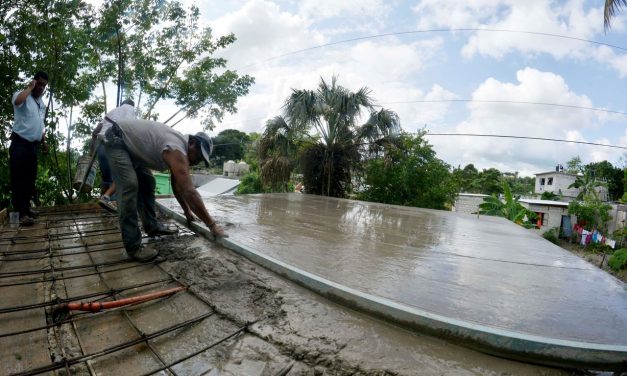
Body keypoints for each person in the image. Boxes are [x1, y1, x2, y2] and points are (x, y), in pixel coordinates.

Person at [104, 118, 227, 261]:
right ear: (192, 143)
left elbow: (177, 186)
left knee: (148, 182)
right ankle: (133, 248)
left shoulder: (178, 148)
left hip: (129, 146)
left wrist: (187, 212)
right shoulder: (177, 149)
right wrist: (212, 225)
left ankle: (152, 226)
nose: (196, 161)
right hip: (117, 139)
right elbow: (190, 192)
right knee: (129, 186)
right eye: (198, 156)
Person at [10, 71, 49, 226]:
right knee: (18, 179)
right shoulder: (22, 95)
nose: (41, 87)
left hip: (33, 146)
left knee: (29, 179)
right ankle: (19, 215)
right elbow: (17, 102)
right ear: (34, 82)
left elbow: (41, 125)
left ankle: (26, 209)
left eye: (44, 85)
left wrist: (44, 142)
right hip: (20, 143)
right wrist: (29, 87)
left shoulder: (41, 104)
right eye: (39, 83)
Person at [90, 99, 137, 212]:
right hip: (115, 147)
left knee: (107, 179)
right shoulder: (131, 111)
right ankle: (111, 204)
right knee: (120, 177)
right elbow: (132, 132)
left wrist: (91, 152)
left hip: (101, 147)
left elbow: (95, 132)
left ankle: (104, 208)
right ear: (132, 106)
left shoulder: (112, 112)